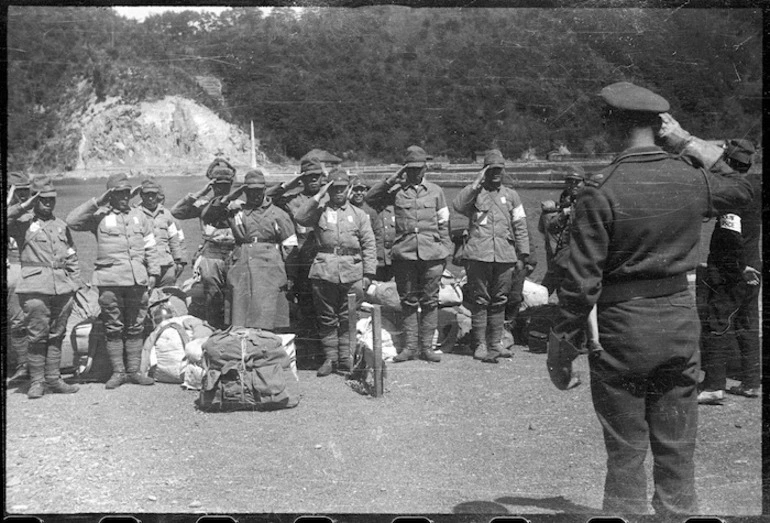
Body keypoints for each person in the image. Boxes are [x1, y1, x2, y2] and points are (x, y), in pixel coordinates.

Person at [549, 82, 753, 515]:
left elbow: (582, 282)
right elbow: (746, 189)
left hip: (622, 328)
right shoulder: (689, 176)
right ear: (661, 126)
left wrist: (562, 346)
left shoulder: (600, 189)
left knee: (626, 452)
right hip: (679, 322)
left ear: (610, 124)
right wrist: (688, 142)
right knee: (677, 450)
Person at [67, 173, 162, 389]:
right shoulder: (98, 216)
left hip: (137, 281)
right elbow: (72, 220)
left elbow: (151, 247)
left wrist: (154, 273)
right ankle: (118, 372)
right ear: (110, 195)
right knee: (113, 327)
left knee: (135, 326)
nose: (124, 197)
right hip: (110, 281)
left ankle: (134, 371)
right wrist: (98, 201)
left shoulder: (139, 216)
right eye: (118, 193)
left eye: (127, 193)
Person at [365, 145, 452, 363]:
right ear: (405, 169)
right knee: (408, 302)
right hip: (405, 255)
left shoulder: (436, 191)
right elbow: (370, 198)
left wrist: (445, 251)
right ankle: (410, 348)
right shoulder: (396, 192)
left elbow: (444, 223)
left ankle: (427, 348)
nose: (415, 173)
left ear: (425, 168)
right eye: (410, 169)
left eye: (418, 168)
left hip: (432, 255)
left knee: (431, 301)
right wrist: (392, 179)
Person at [696, 139, 761, 403]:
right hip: (752, 267)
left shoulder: (733, 195)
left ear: (728, 164)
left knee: (717, 323)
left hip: (731, 271)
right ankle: (751, 382)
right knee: (747, 325)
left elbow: (732, 236)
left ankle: (713, 385)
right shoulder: (753, 190)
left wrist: (737, 267)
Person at [295, 169, 377, 376]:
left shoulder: (359, 215)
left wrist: (368, 274)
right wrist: (318, 196)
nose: (339, 192)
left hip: (352, 271)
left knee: (348, 316)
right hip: (324, 270)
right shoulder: (319, 211)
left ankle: (345, 358)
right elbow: (300, 217)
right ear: (329, 189)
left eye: (342, 188)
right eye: (334, 188)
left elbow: (369, 245)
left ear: (348, 189)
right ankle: (330, 359)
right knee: (326, 317)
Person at [453, 149, 530, 363]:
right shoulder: (475, 193)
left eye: (499, 169)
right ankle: (479, 344)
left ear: (504, 171)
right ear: (485, 171)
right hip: (478, 255)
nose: (496, 173)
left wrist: (522, 255)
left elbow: (520, 226)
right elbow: (458, 206)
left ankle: (496, 343)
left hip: (505, 256)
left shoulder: (512, 196)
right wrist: (476, 183)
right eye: (491, 169)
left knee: (500, 300)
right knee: (479, 299)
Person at [8, 176, 82, 399]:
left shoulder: (60, 226)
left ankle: (54, 379)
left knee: (57, 334)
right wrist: (24, 205)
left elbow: (72, 256)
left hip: (62, 288)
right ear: (35, 200)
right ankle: (37, 381)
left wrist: (75, 284)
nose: (48, 203)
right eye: (43, 199)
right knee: (36, 335)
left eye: (52, 199)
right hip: (34, 287)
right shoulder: (22, 224)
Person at [203, 170, 298, 330]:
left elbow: (290, 247)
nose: (255, 194)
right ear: (245, 191)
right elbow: (209, 216)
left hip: (270, 269)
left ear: (264, 190)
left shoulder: (278, 214)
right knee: (240, 313)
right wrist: (229, 198)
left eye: (259, 190)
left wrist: (290, 275)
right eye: (250, 190)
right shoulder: (236, 212)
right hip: (242, 265)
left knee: (268, 313)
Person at [267, 156, 325, 357]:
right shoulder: (293, 201)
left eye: (317, 176)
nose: (313, 180)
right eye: (308, 177)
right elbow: (268, 198)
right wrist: (287, 184)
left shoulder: (330, 196)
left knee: (326, 307)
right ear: (302, 178)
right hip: (301, 261)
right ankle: (310, 351)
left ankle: (328, 352)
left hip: (326, 260)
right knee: (306, 306)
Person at [170, 158, 236, 329]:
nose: (222, 189)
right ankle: (214, 328)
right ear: (213, 186)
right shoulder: (203, 204)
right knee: (213, 295)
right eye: (218, 185)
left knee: (234, 294)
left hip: (233, 253)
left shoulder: (238, 205)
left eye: (226, 185)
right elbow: (176, 212)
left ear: (231, 185)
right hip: (211, 254)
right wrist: (201, 192)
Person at [538, 166, 585, 296]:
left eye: (577, 182)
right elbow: (551, 227)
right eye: (570, 181)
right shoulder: (565, 199)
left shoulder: (589, 200)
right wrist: (563, 213)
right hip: (563, 252)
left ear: (584, 182)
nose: (573, 185)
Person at [133, 177, 187, 287]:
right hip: (145, 266)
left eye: (153, 195)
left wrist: (179, 262)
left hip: (166, 265)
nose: (150, 198)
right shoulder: (135, 215)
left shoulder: (166, 214)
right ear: (142, 196)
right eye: (147, 195)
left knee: (167, 298)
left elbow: (174, 239)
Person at [6, 172, 32, 384]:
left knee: (21, 319)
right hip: (13, 269)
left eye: (26, 191)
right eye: (18, 191)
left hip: (26, 269)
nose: (23, 196)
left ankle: (25, 364)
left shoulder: (34, 212)